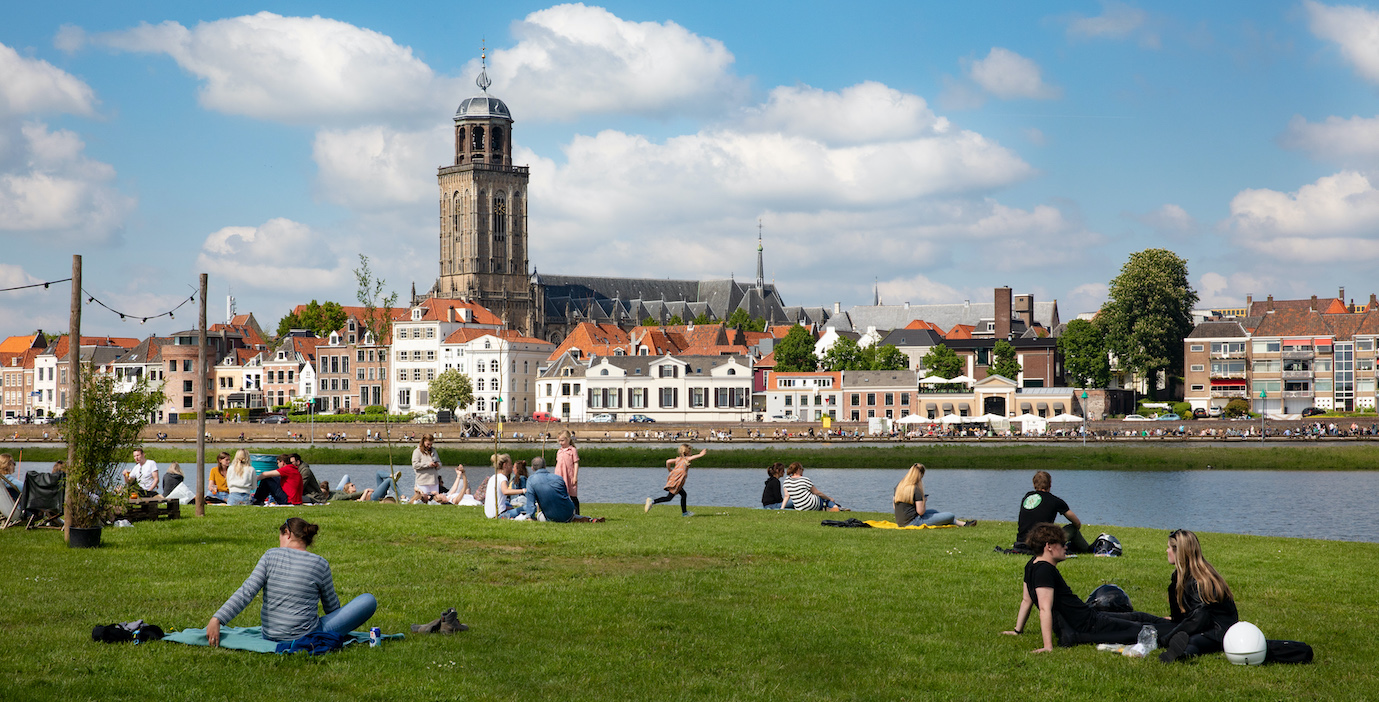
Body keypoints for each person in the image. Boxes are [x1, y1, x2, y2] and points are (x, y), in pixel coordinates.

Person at [205, 517, 377, 645]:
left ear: (287, 533)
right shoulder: (320, 564)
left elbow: (246, 592)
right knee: (368, 600)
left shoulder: (270, 556)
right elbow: (332, 609)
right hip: (307, 635)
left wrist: (217, 619)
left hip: (270, 635)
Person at [1002, 523, 1168, 651]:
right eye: (1062, 543)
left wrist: (1017, 630)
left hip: (1086, 617)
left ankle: (1173, 621)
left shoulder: (1032, 564)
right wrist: (1048, 646)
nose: (1066, 547)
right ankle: (1181, 629)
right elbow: (1045, 609)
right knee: (1139, 630)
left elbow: (1026, 600)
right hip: (1086, 625)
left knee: (1136, 616)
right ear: (1049, 546)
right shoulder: (1044, 569)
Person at [1159, 529, 1239, 663]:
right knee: (1148, 621)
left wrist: (1167, 638)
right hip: (1205, 626)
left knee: (1193, 641)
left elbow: (1199, 619)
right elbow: (1182, 615)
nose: (1166, 551)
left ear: (1179, 552)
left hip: (1218, 632)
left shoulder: (1200, 581)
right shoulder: (1183, 575)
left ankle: (1182, 654)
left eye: (1169, 548)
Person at [1014, 471, 1089, 553]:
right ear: (1050, 484)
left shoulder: (1027, 497)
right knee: (1072, 528)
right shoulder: (1055, 501)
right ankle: (1087, 550)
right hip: (1042, 544)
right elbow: (1077, 522)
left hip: (1022, 542)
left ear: (1034, 484)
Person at [521, 457, 603, 523]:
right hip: (568, 511)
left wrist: (530, 517)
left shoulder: (531, 480)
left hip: (551, 515)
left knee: (540, 516)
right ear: (545, 466)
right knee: (568, 516)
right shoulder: (558, 478)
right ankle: (588, 519)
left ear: (532, 468)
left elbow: (531, 503)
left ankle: (578, 519)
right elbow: (565, 496)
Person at [893, 464, 975, 527]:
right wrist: (924, 501)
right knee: (950, 515)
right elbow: (920, 512)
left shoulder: (899, 486)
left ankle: (963, 524)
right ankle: (962, 524)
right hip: (914, 522)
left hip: (901, 521)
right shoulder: (915, 489)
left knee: (934, 512)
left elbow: (895, 506)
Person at [645, 444, 705, 517]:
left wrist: (670, 470)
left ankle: (685, 513)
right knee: (669, 498)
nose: (691, 453)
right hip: (678, 481)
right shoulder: (686, 459)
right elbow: (693, 457)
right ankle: (653, 501)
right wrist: (701, 454)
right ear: (687, 452)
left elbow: (668, 461)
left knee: (683, 494)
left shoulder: (678, 459)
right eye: (690, 451)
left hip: (674, 479)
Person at [484, 454, 523, 519]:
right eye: (510, 464)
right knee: (526, 508)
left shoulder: (493, 477)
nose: (512, 466)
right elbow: (505, 491)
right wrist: (523, 490)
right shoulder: (503, 478)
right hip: (499, 515)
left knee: (507, 503)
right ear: (505, 465)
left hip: (489, 514)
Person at [553, 431, 580, 514]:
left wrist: (575, 476)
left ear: (568, 439)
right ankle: (561, 512)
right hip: (559, 475)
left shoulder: (572, 450)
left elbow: (576, 463)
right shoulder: (559, 451)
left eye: (562, 441)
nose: (561, 443)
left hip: (569, 475)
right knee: (559, 494)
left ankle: (576, 513)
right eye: (559, 441)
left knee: (572, 495)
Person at [411, 434, 443, 504]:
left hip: (434, 481)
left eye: (431, 444)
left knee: (435, 501)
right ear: (423, 442)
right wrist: (428, 464)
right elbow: (415, 465)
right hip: (423, 481)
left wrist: (437, 465)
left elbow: (440, 464)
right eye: (428, 444)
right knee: (424, 501)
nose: (429, 446)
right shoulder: (417, 451)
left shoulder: (434, 451)